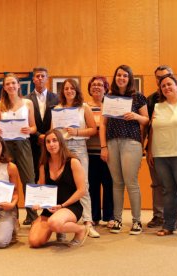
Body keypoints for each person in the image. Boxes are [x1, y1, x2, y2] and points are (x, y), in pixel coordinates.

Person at [100, 65, 149, 235]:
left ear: (129, 79)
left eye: (125, 76)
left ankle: (136, 221)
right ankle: (118, 219)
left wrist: (135, 116)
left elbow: (147, 121)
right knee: (117, 183)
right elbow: (103, 124)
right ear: (115, 78)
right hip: (112, 143)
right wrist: (103, 146)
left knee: (131, 182)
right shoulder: (108, 97)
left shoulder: (138, 98)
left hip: (131, 143)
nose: (121, 78)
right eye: (119, 75)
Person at [147, 74, 177, 241]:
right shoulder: (158, 107)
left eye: (169, 84)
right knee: (168, 192)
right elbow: (152, 130)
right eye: (163, 86)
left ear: (176, 86)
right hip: (161, 155)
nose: (166, 87)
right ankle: (168, 225)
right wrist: (151, 151)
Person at [28, 129, 90, 248]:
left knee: (54, 222)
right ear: (45, 145)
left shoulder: (73, 162)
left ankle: (81, 229)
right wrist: (37, 202)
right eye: (48, 142)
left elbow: (82, 190)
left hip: (69, 206)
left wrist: (62, 206)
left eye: (55, 140)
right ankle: (58, 228)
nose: (51, 144)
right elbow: (41, 187)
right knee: (34, 242)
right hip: (50, 208)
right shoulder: (43, 165)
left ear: (61, 142)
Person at [54, 79, 99, 238]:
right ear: (62, 91)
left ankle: (88, 222)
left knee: (83, 184)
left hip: (79, 146)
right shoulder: (58, 109)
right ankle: (61, 220)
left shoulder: (84, 107)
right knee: (62, 183)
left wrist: (77, 132)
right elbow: (54, 132)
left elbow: (93, 130)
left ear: (77, 90)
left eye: (72, 88)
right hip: (62, 149)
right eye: (66, 88)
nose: (69, 91)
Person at [0, 73, 37, 225]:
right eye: (7, 84)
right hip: (6, 146)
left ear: (19, 85)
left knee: (29, 179)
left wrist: (29, 130)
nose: (11, 86)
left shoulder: (28, 103)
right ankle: (11, 216)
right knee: (8, 180)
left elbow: (34, 127)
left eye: (13, 83)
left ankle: (32, 216)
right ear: (4, 88)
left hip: (23, 144)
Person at [86, 76, 114, 228]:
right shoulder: (84, 106)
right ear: (89, 88)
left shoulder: (111, 106)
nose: (96, 87)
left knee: (109, 184)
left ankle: (109, 216)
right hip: (89, 152)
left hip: (108, 151)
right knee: (92, 185)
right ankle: (94, 215)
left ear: (106, 88)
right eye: (93, 85)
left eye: (100, 85)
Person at [25, 67, 58, 182]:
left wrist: (48, 136)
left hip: (53, 143)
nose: (40, 78)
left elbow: (58, 121)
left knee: (52, 175)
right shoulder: (25, 100)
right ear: (33, 79)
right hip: (33, 142)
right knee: (34, 175)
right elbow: (26, 122)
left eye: (43, 76)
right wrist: (38, 135)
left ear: (47, 78)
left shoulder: (57, 98)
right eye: (37, 76)